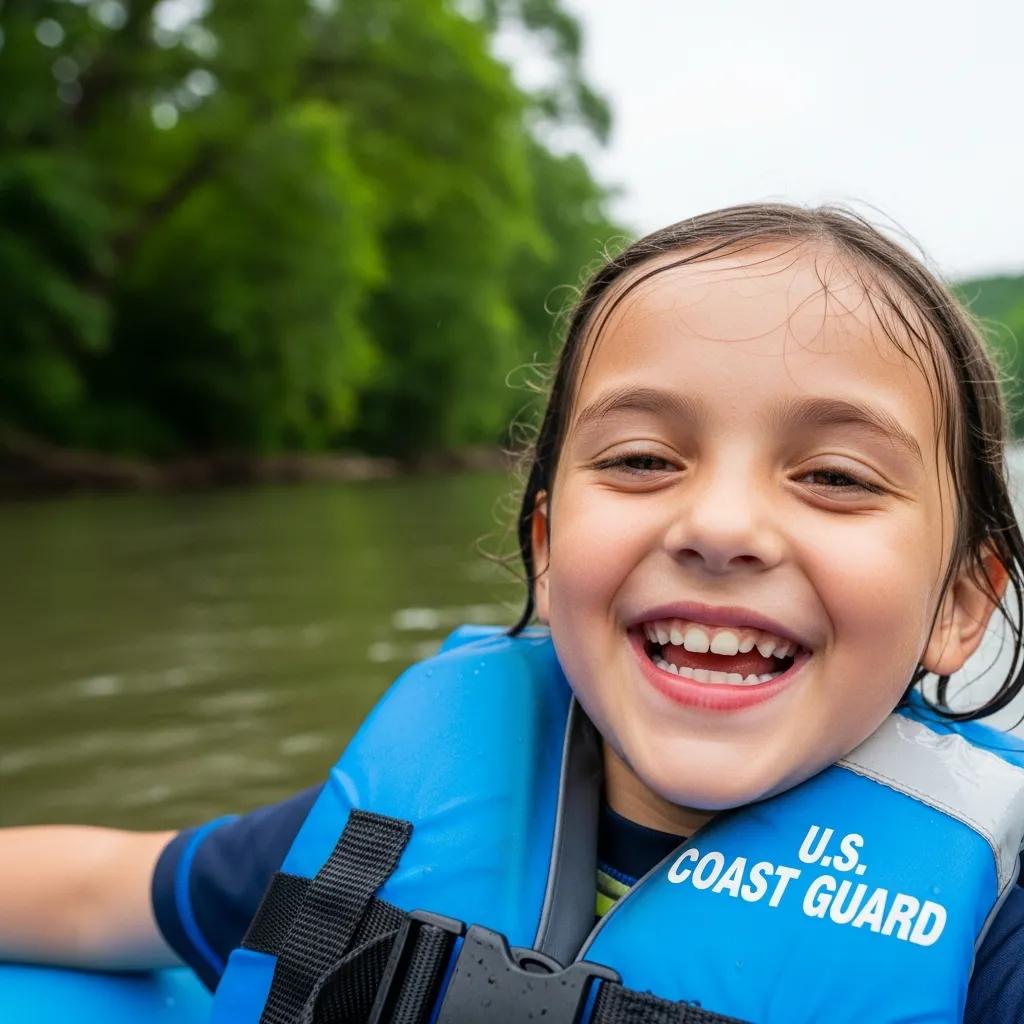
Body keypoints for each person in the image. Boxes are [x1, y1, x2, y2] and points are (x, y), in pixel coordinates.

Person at [3, 203, 1024, 1023]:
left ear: (959, 603)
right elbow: (104, 889)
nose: (718, 525)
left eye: (836, 476)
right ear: (545, 549)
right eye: (640, 460)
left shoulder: (995, 936)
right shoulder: (388, 821)